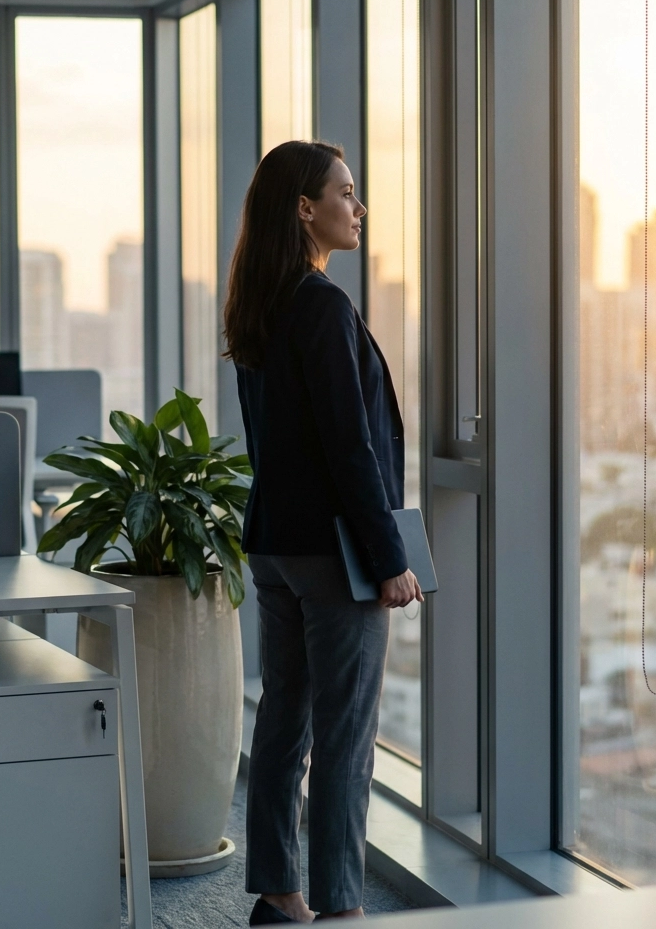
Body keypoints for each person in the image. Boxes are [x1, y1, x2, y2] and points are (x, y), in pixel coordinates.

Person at [223, 140, 423, 924]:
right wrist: (389, 557)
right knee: (345, 738)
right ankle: (341, 909)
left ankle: (279, 895)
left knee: (283, 722)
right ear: (306, 209)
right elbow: (350, 444)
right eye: (345, 191)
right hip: (333, 556)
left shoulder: (258, 303)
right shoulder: (321, 304)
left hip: (275, 546)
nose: (358, 205)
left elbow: (278, 441)